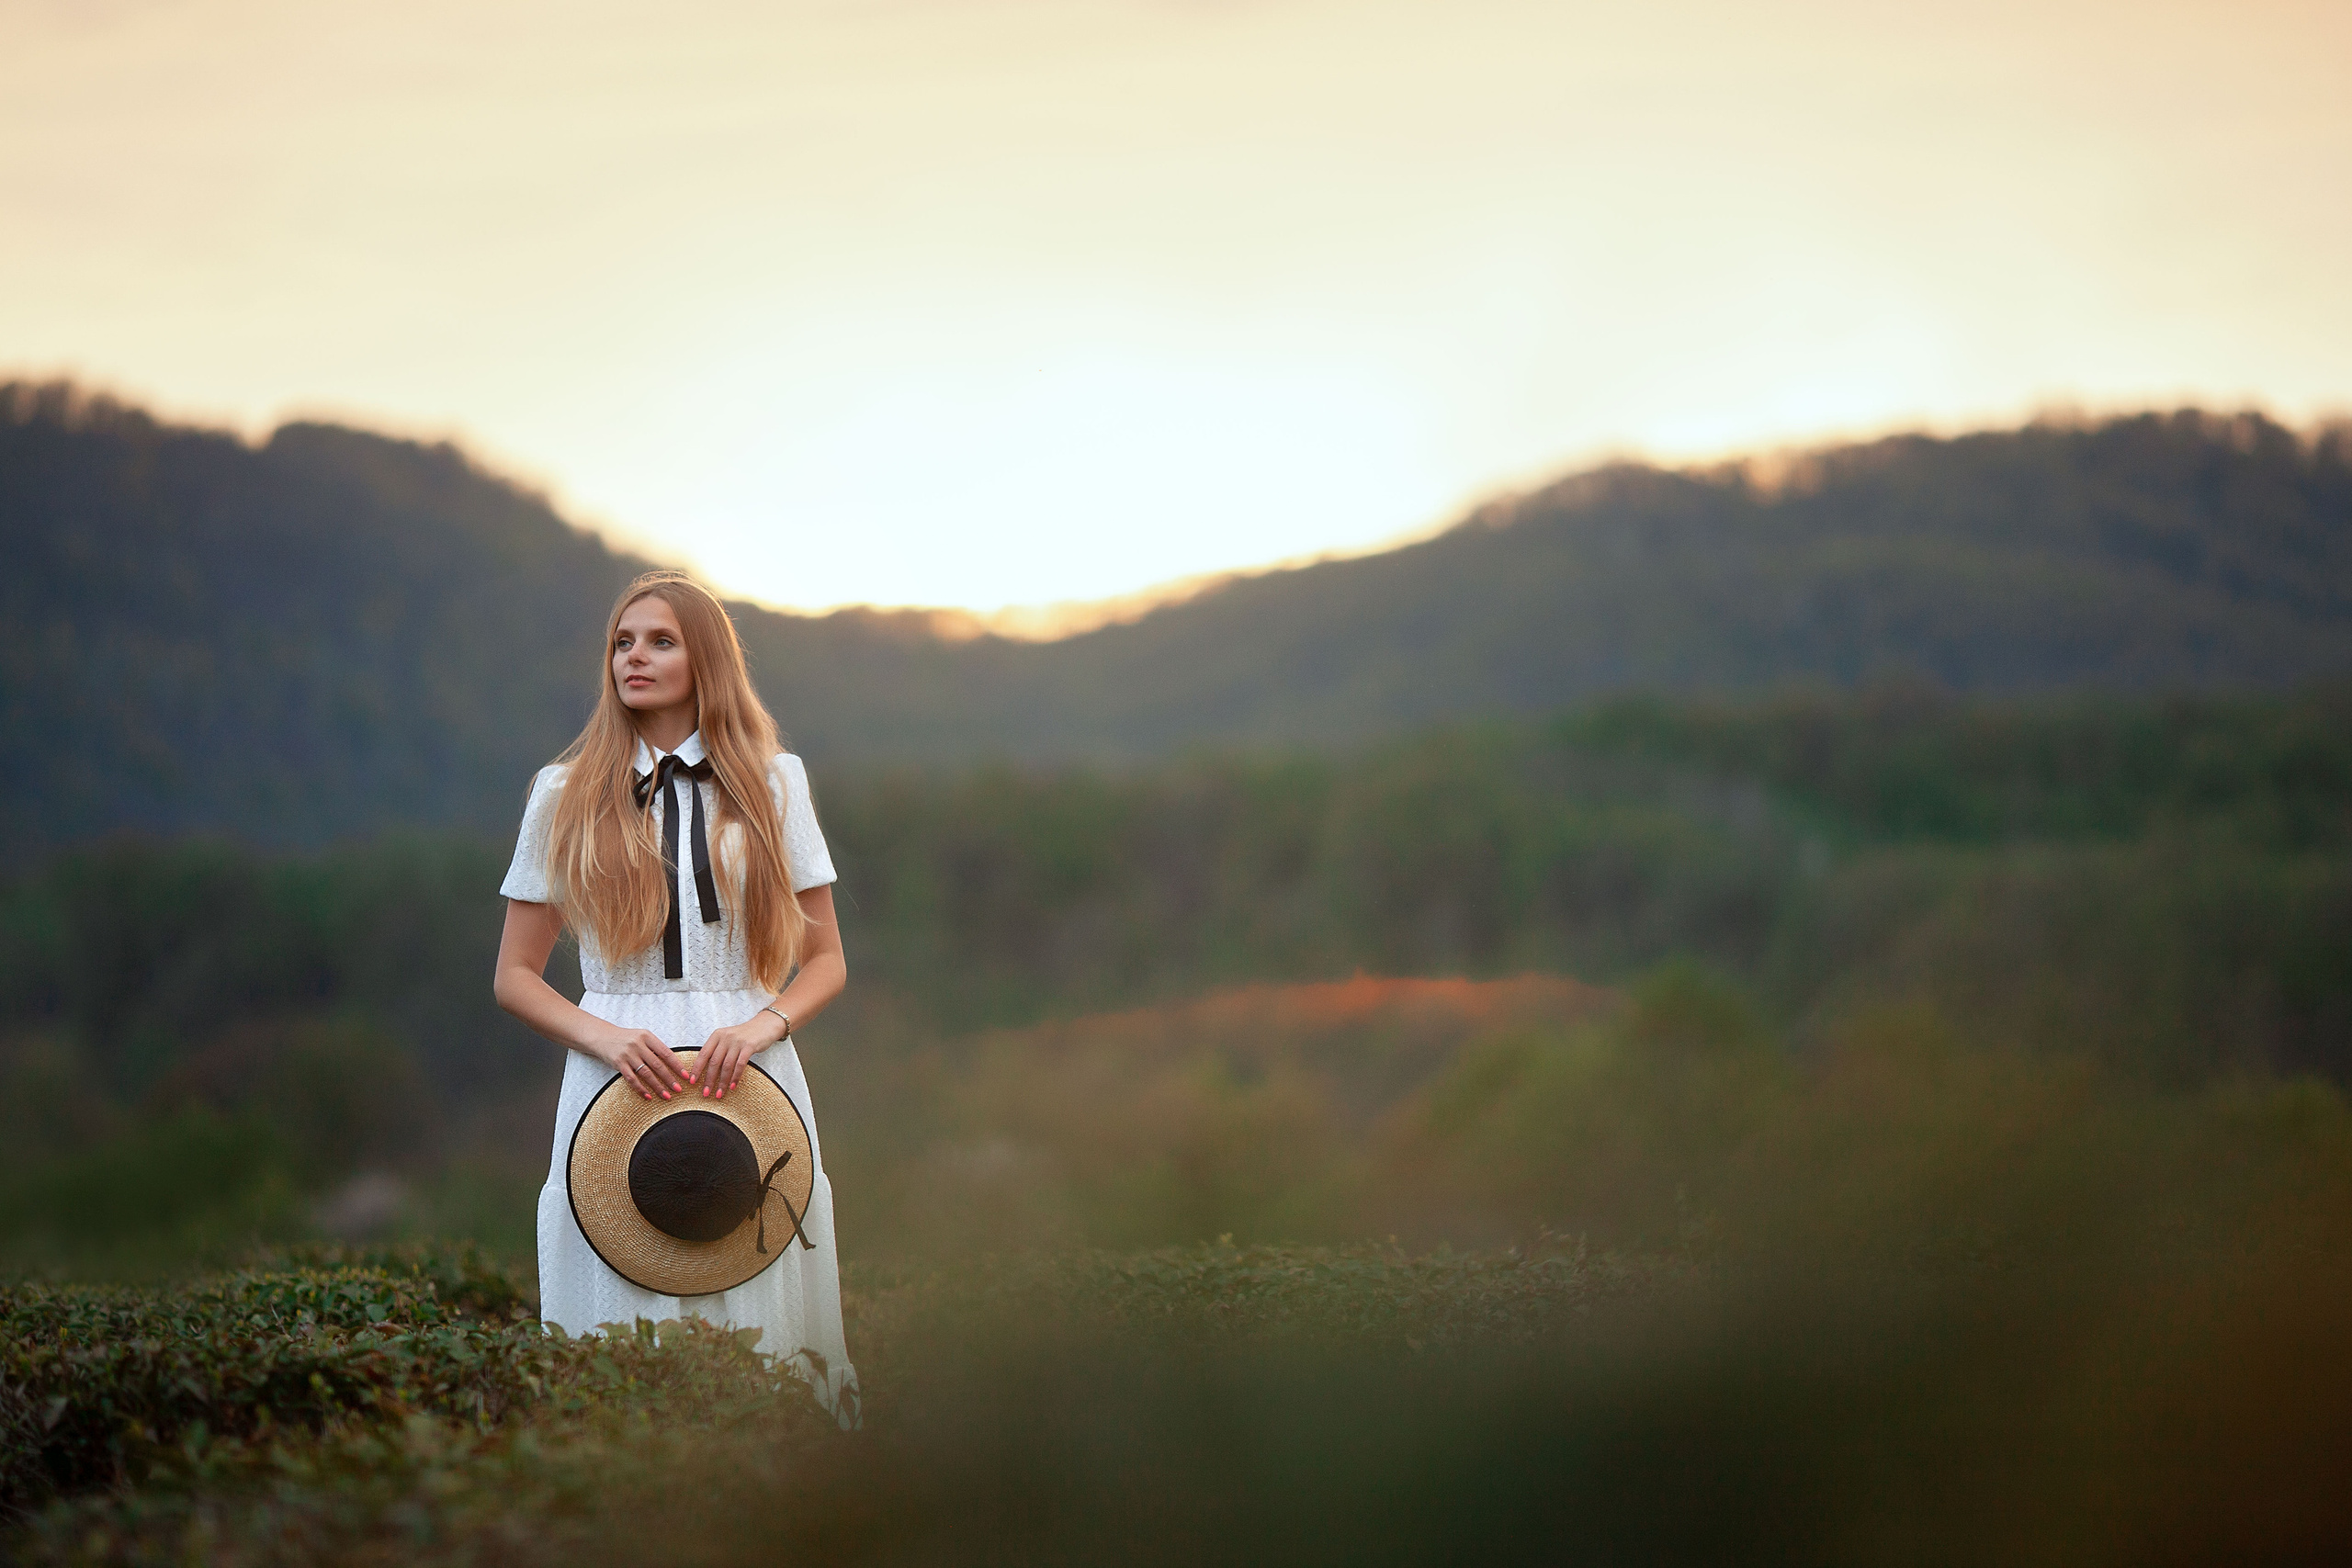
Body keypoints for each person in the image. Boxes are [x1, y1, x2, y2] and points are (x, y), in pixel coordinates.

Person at [492, 569, 857, 1423]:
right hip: (615, 1068)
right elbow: (513, 975)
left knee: (752, 1264)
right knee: (624, 1276)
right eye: (622, 642)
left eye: (660, 640)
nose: (633, 658)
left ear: (707, 660)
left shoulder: (774, 782)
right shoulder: (564, 792)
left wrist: (764, 1022)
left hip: (752, 1065)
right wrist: (607, 1038)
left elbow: (829, 958)